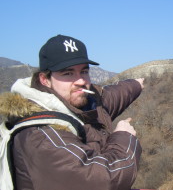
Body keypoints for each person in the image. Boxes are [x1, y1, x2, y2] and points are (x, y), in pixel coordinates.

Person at [0, 34, 144, 190]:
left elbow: (114, 96)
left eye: (84, 71)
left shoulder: (80, 102)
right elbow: (102, 181)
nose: (81, 81)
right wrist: (124, 136)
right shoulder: (40, 136)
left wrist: (139, 84)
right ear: (45, 79)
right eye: (67, 73)